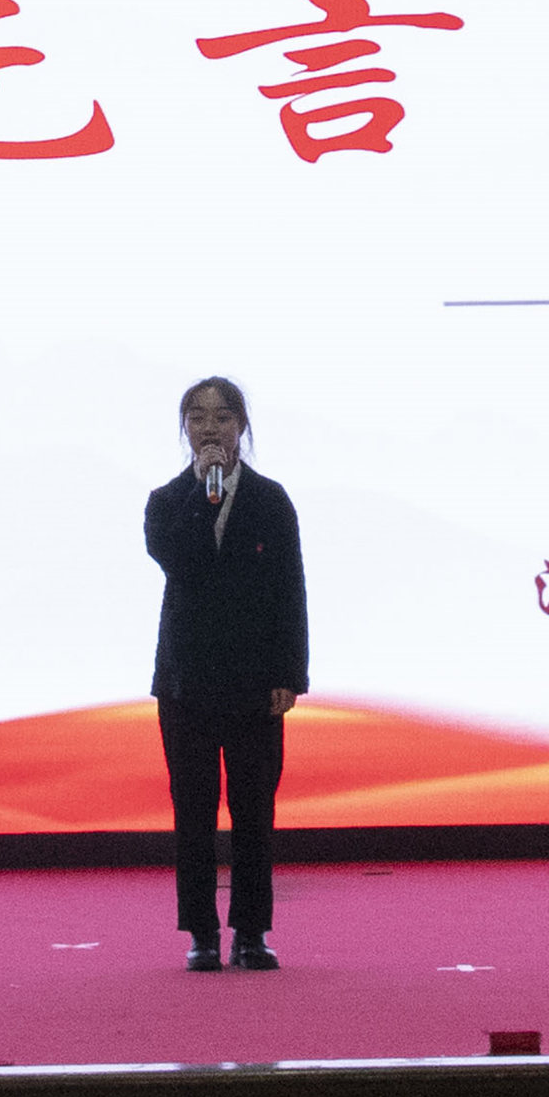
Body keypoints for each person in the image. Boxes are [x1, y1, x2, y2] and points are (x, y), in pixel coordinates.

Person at [144, 375, 307, 972]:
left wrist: (290, 673)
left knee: (253, 811)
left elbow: (290, 589)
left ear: (242, 427)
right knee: (193, 811)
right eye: (198, 417)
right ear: (185, 428)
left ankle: (251, 933)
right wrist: (202, 493)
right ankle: (202, 934)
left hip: (254, 681)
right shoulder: (167, 501)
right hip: (186, 680)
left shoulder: (271, 500)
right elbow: (177, 561)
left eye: (222, 417)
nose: (210, 428)